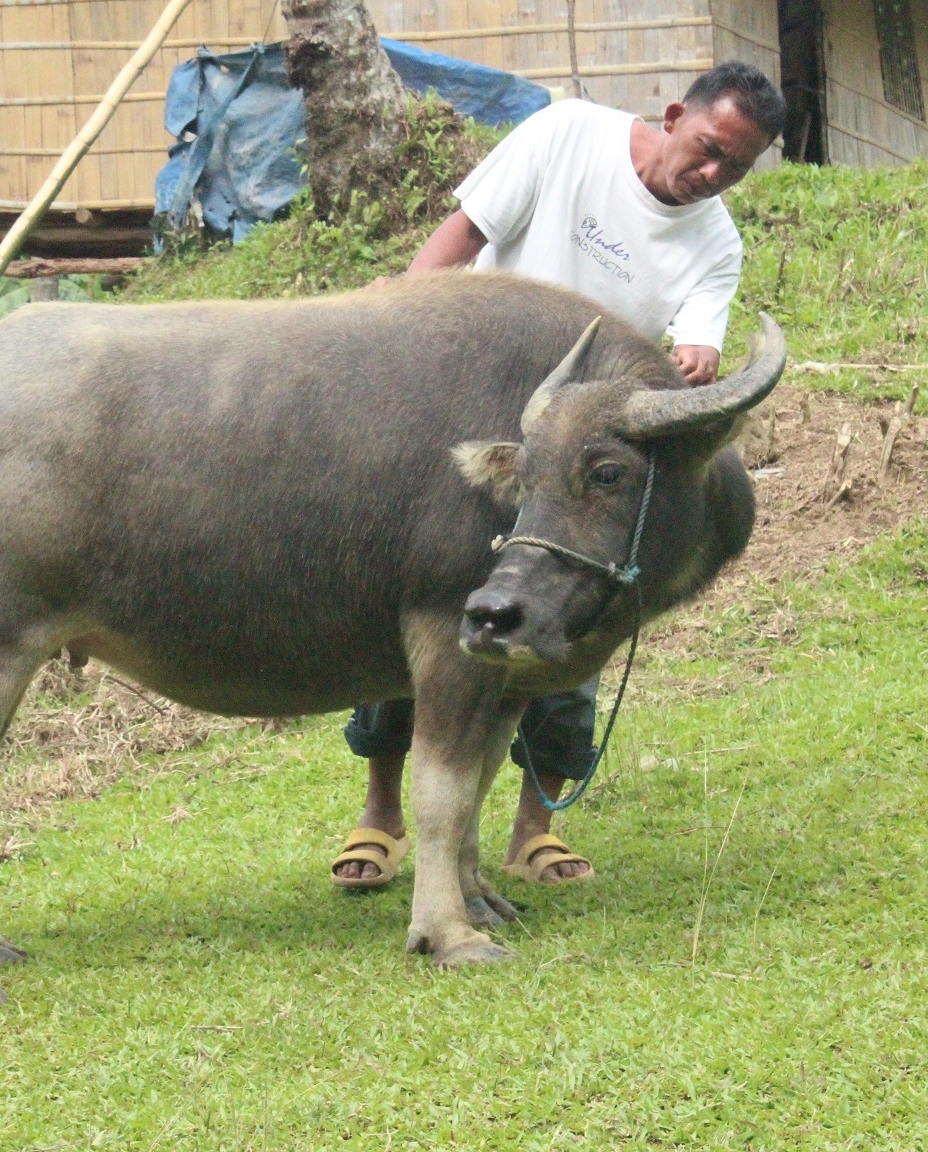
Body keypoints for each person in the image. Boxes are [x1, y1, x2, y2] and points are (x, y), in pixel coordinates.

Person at [331, 61, 787, 891]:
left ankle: (533, 829)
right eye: (711, 149)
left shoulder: (716, 242)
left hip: (587, 459)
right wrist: (385, 332)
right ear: (676, 114)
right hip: (468, 412)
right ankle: (381, 812)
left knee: (573, 622)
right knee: (427, 608)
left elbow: (697, 346)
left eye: (738, 168)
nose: (714, 175)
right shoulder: (568, 134)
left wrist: (696, 356)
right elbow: (465, 233)